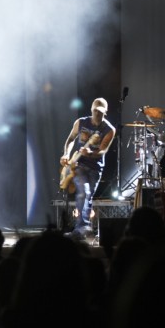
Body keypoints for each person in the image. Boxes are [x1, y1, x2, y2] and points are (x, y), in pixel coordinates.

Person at [60, 97, 116, 239]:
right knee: (83, 192)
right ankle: (82, 227)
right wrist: (66, 154)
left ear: (105, 112)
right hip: (79, 165)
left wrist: (92, 153)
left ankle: (80, 230)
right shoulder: (80, 122)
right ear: (91, 110)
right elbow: (70, 139)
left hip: (96, 168)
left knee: (88, 196)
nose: (97, 114)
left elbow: (103, 150)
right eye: (95, 111)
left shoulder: (109, 129)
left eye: (100, 112)